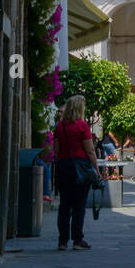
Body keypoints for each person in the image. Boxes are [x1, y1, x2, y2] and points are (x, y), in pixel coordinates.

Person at [53, 95, 99, 251]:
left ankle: (62, 241)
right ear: (79, 109)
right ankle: (78, 240)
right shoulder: (82, 126)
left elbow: (56, 150)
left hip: (63, 167)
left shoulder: (60, 126)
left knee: (65, 204)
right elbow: (90, 150)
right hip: (80, 168)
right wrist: (96, 168)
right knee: (79, 205)